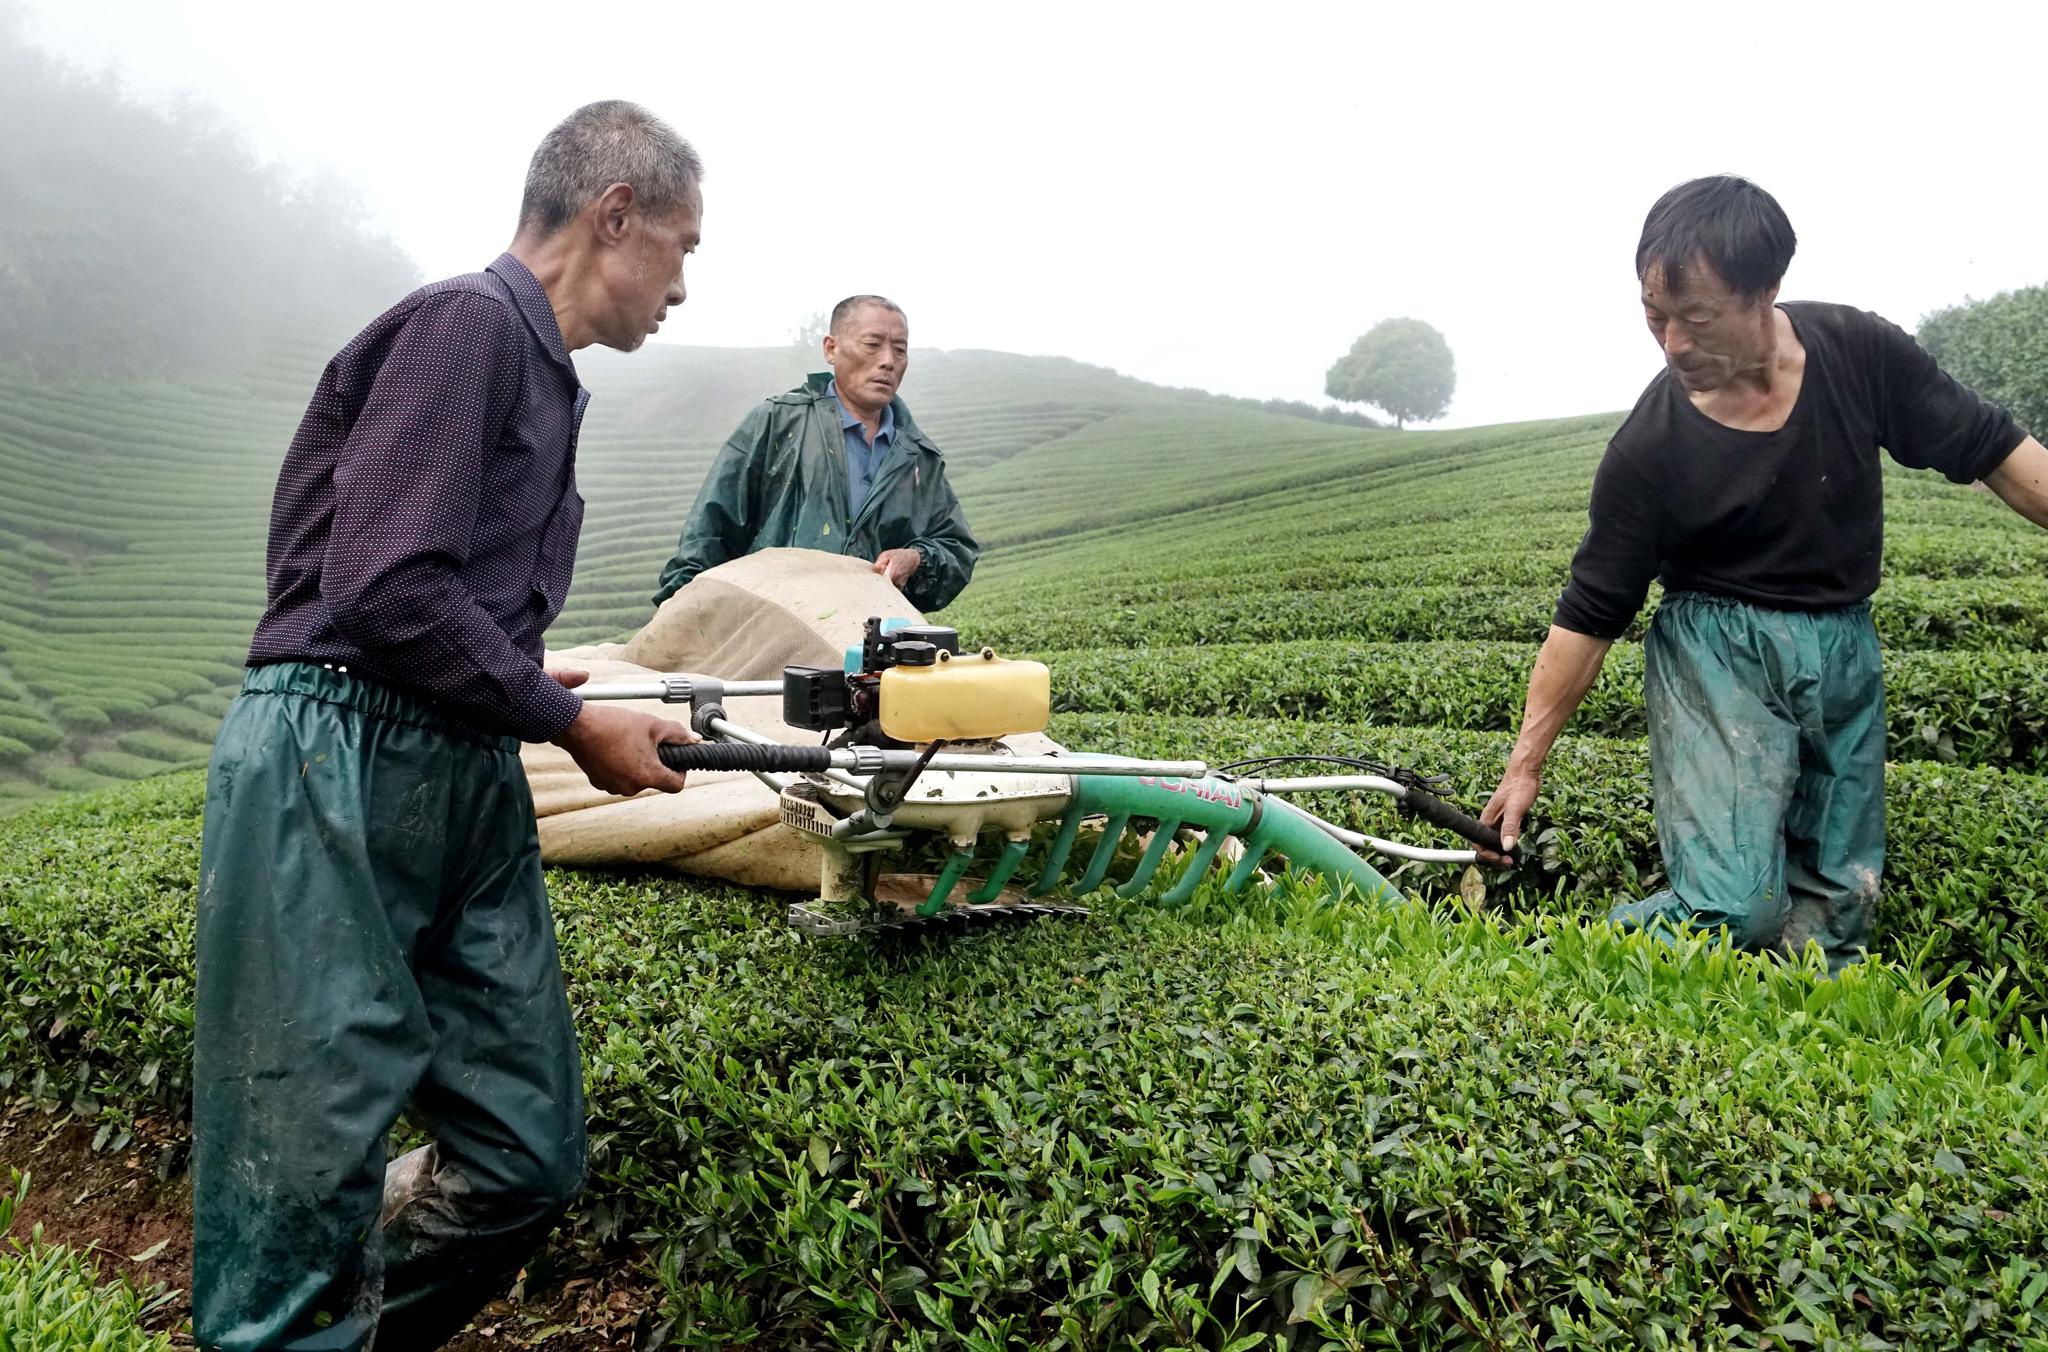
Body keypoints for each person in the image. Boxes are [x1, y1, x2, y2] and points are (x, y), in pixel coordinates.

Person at [193, 101, 703, 1351]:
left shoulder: (543, 376)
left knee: (525, 1152)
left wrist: (548, 704)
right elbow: (380, 584)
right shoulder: (465, 325)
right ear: (614, 217)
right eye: (683, 248)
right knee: (304, 1158)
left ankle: (331, 1323)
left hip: (458, 768)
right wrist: (569, 721)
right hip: (337, 755)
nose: (685, 286)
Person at [1478, 175, 2048, 972]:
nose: (1673, 342)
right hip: (1718, 651)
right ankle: (1540, 964)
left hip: (1844, 644)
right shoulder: (1650, 449)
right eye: (1654, 316)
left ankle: (1791, 1047)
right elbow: (1590, 614)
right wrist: (1525, 762)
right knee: (1735, 907)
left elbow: (1998, 452)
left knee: (1838, 909)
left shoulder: (1858, 351)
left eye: (1697, 317)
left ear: (1766, 291)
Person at [650, 295, 979, 613]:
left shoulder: (918, 457)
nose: (888, 361)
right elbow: (710, 530)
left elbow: (957, 549)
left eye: (900, 350)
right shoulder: (777, 422)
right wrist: (681, 610)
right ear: (831, 349)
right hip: (771, 627)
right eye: (872, 344)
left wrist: (918, 558)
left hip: (868, 641)